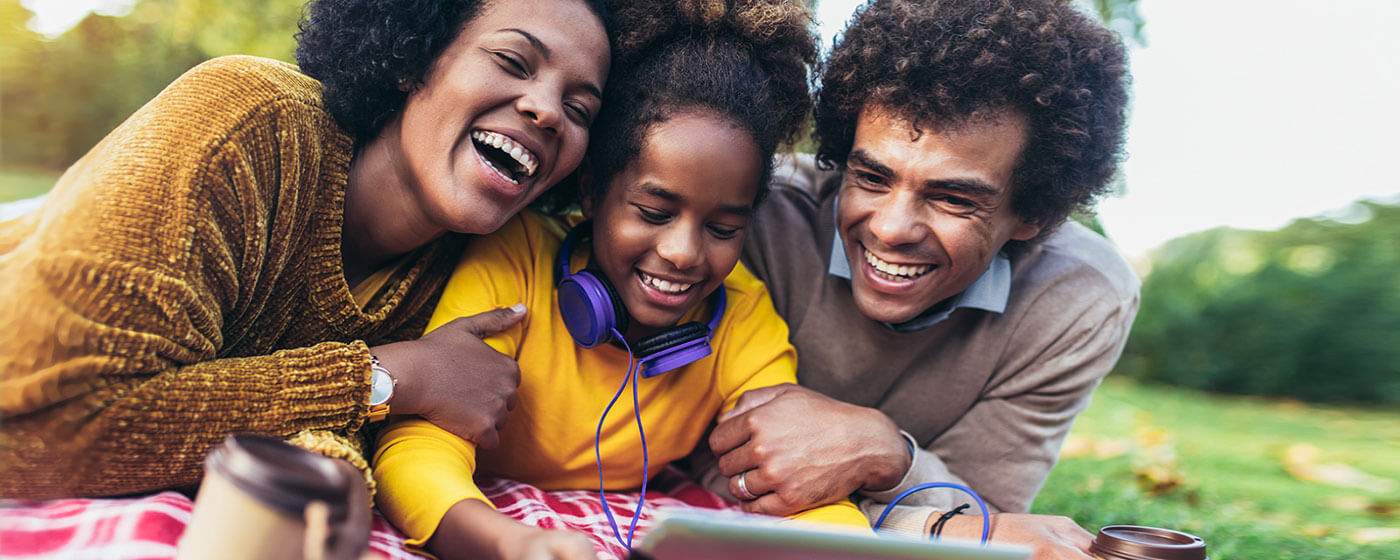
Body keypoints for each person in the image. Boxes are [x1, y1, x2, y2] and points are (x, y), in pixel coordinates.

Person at [0, 0, 612, 499]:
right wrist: (387, 377)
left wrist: (334, 460)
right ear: (413, 57)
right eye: (512, 60)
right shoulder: (248, 124)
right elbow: (50, 428)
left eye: (580, 108)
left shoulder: (478, 262)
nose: (548, 111)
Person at [371, 1, 869, 558]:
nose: (683, 253)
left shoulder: (743, 315)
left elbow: (798, 484)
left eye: (724, 228)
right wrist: (503, 543)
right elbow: (417, 445)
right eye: (653, 213)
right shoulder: (511, 257)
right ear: (590, 192)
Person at [703, 0, 1140, 558]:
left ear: (1034, 214)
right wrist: (934, 518)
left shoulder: (1079, 299)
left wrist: (887, 453)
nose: (890, 229)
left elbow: (986, 508)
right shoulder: (751, 216)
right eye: (871, 177)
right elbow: (698, 465)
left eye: (953, 198)